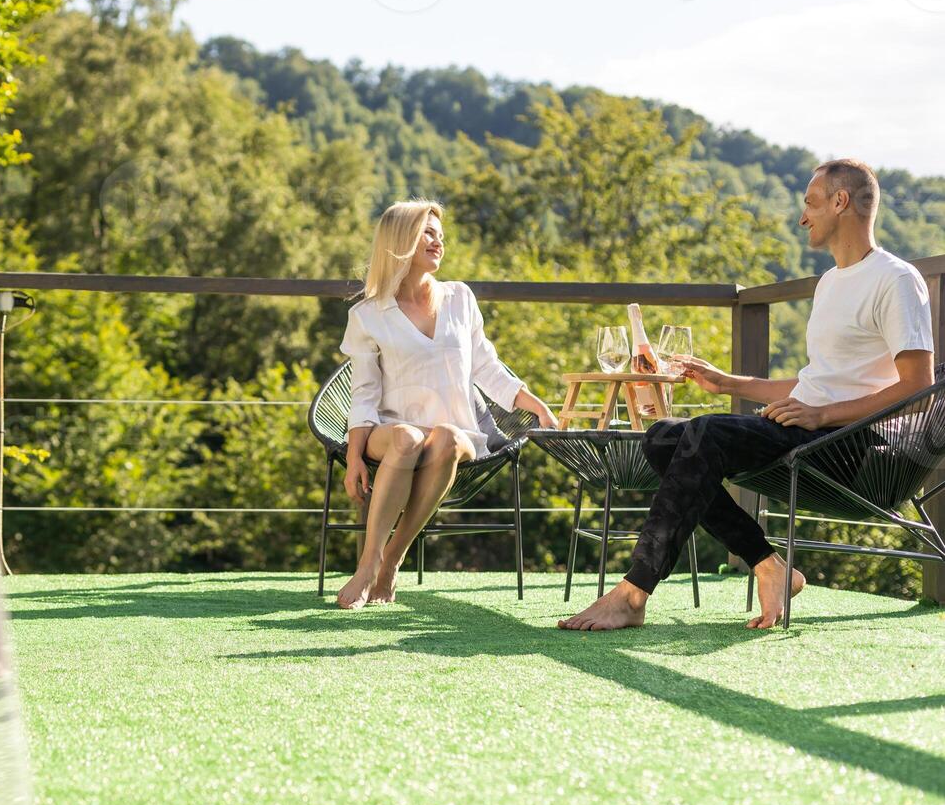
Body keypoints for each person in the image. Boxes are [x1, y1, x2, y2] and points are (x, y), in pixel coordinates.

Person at [559, 159, 935, 631]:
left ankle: (634, 592)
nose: (803, 217)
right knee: (661, 438)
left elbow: (918, 389)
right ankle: (768, 565)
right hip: (808, 429)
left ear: (841, 202)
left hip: (851, 445)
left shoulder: (896, 280)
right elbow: (813, 381)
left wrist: (822, 416)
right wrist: (729, 383)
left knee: (704, 433)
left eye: (810, 203)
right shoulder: (829, 283)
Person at [337, 200, 557, 609]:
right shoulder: (368, 314)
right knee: (405, 437)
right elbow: (363, 393)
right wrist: (353, 458)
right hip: (391, 433)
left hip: (455, 436)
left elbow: (487, 369)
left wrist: (535, 405)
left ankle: (391, 562)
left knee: (448, 438)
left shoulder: (460, 298)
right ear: (400, 240)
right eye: (428, 232)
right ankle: (368, 564)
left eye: (440, 234)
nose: (438, 241)